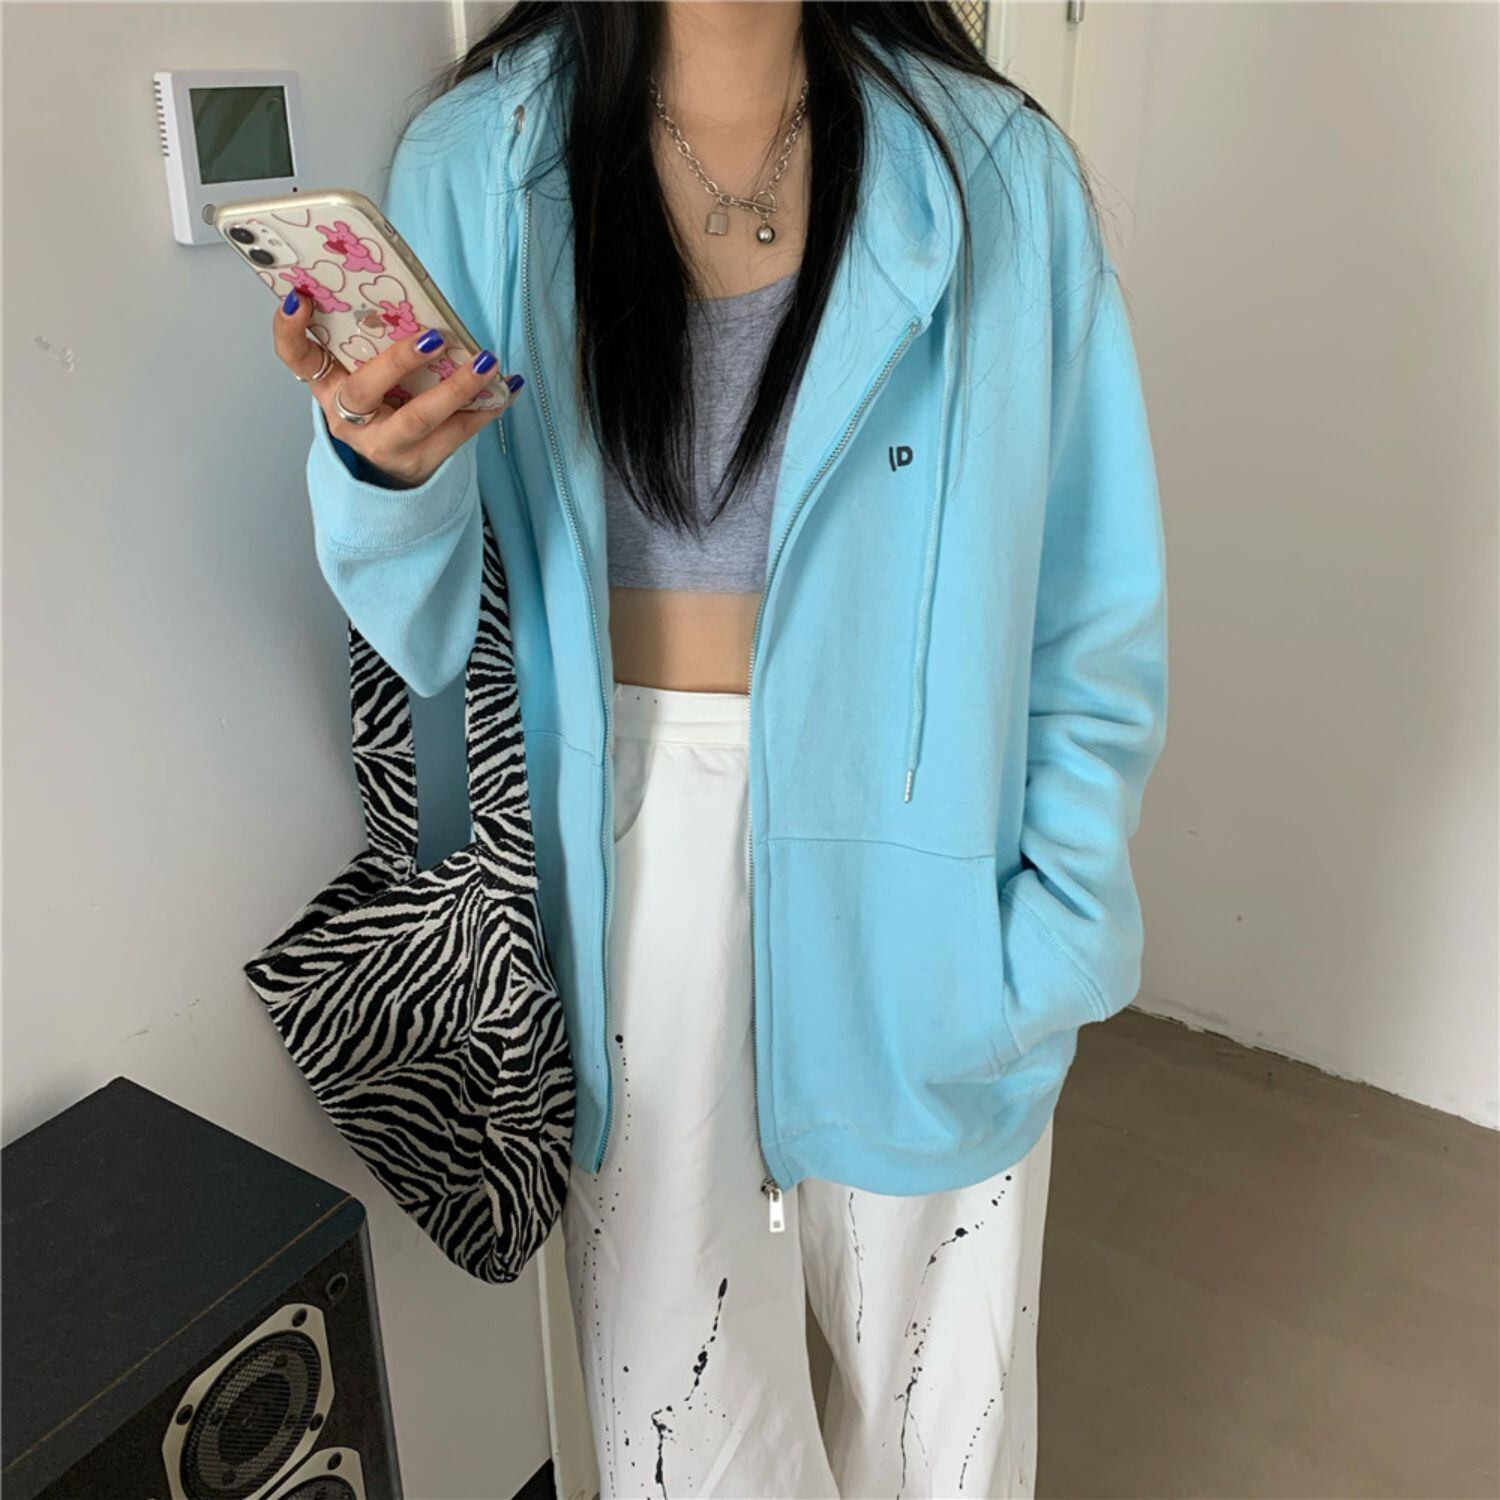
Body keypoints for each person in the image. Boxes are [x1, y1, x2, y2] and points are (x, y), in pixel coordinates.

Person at [272, 3, 1168, 1495]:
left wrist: (1060, 925)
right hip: (625, 870)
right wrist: (383, 475)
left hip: (932, 868)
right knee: (683, 1438)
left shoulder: (996, 172)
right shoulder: (481, 159)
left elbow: (1092, 600)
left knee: (948, 1437)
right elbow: (428, 639)